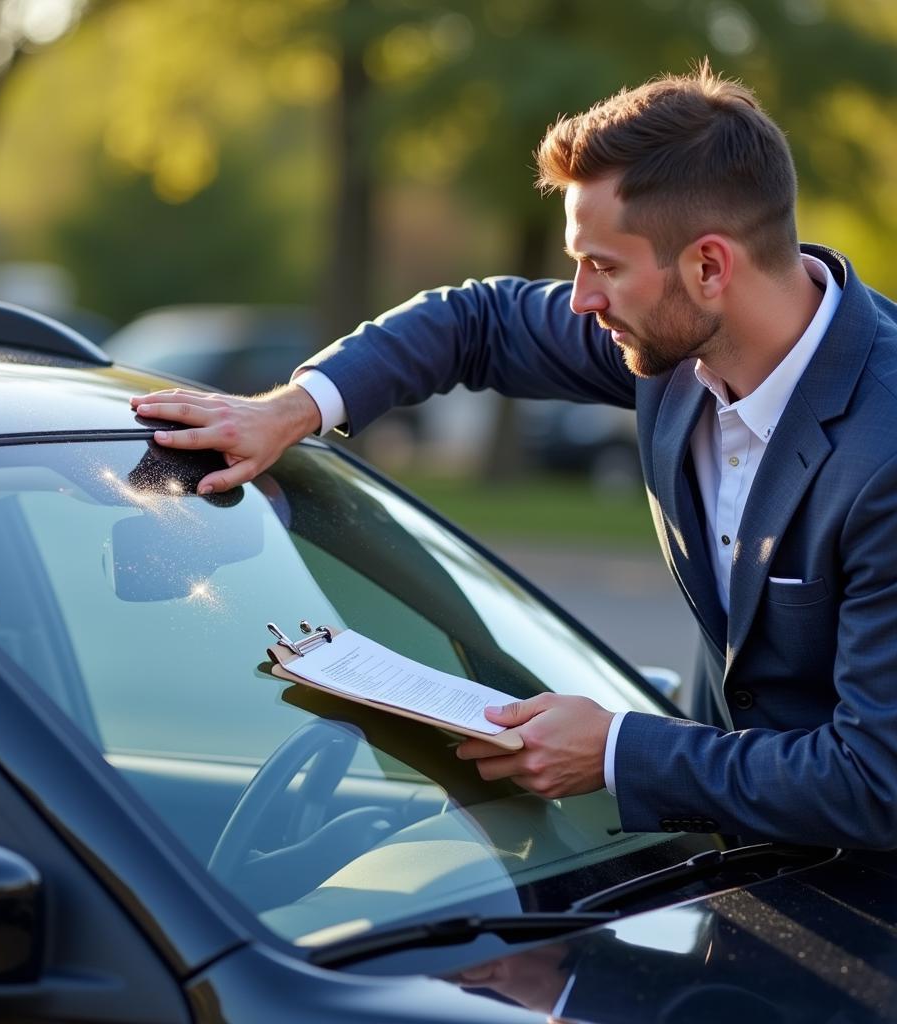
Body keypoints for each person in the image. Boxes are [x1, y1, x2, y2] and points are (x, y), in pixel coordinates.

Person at [130, 63, 897, 850]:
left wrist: (612, 750)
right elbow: (479, 322)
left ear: (708, 267)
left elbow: (879, 781)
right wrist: (294, 410)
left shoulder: (886, 453)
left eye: (603, 265)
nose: (580, 301)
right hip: (727, 880)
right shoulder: (679, 345)